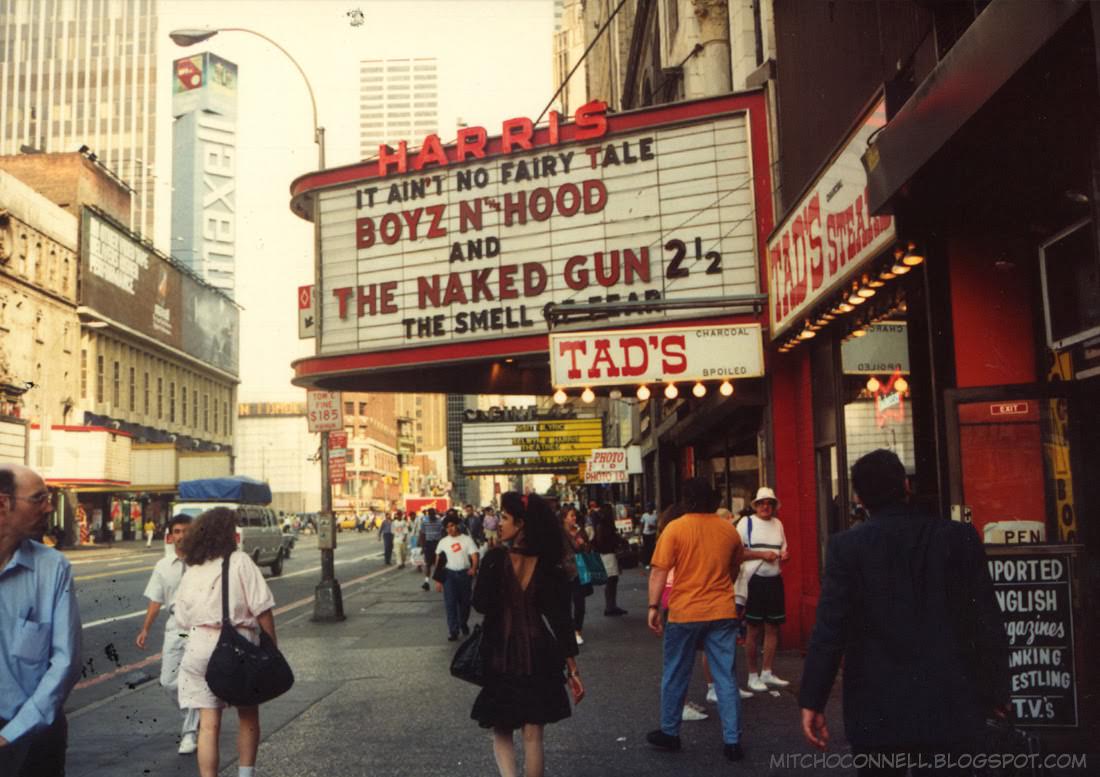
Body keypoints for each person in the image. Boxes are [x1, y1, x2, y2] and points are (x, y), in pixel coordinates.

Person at [799, 450, 1010, 773]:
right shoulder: (958, 538)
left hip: (877, 708)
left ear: (859, 497)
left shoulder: (846, 549)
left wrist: (813, 700)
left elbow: (829, 631)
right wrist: (997, 689)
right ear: (906, 486)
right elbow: (985, 621)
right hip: (952, 703)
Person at [472, 492, 584, 777]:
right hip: (540, 654)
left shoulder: (495, 559)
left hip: (501, 654)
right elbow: (560, 618)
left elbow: (481, 604)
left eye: (505, 518)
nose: (499, 523)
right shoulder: (547, 564)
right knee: (533, 734)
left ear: (521, 524)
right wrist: (572, 667)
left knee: (502, 728)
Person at [646, 477, 746, 762]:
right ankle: (732, 741)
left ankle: (670, 733)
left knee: (676, 672)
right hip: (722, 611)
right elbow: (735, 566)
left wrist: (653, 607)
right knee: (725, 675)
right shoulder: (728, 530)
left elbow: (659, 572)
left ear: (686, 500)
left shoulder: (675, 529)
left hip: (685, 611)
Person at [174, 507, 278, 777]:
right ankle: (245, 774)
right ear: (226, 534)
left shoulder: (193, 568)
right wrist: (271, 649)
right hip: (236, 646)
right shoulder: (239, 561)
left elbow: (182, 622)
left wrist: (193, 643)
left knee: (208, 725)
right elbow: (263, 609)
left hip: (198, 648)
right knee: (247, 715)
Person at [0, 464, 82, 776]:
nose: (49, 508)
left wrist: (12, 732)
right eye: (39, 499)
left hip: (34, 734)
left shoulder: (53, 568)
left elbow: (66, 661)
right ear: (3, 503)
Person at [135, 514, 200, 755]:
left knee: (194, 677)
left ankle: (190, 733)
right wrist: (145, 628)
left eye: (186, 531)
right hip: (177, 630)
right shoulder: (163, 566)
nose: (182, 536)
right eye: (177, 531)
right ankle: (195, 714)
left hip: (199, 629)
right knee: (169, 682)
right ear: (171, 536)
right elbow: (156, 599)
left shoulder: (204, 562)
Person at [738, 486, 792, 692]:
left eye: (769, 503)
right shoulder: (746, 522)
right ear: (756, 505)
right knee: (753, 629)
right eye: (761, 503)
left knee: (773, 627)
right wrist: (762, 555)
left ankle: (767, 672)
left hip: (774, 580)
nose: (765, 506)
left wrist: (785, 556)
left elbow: (784, 549)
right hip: (754, 581)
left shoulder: (778, 524)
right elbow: (736, 552)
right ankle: (753, 675)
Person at [433, 514, 479, 640]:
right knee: (450, 603)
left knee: (465, 603)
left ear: (457, 525)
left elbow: (474, 555)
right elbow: (439, 560)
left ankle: (462, 623)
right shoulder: (443, 542)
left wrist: (473, 568)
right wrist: (438, 580)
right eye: (447, 527)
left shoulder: (466, 540)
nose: (450, 529)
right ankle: (453, 631)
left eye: (452, 526)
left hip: (464, 575)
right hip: (449, 576)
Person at [560, 505, 590, 645]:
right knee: (565, 603)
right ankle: (568, 630)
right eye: (571, 516)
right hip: (564, 571)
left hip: (579, 569)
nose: (574, 518)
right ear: (564, 518)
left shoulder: (580, 531)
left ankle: (578, 630)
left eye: (575, 516)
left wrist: (583, 543)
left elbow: (587, 549)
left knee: (580, 602)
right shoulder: (559, 533)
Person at [592, 503, 626, 616]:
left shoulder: (602, 524)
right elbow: (602, 541)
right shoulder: (603, 525)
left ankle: (611, 605)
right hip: (608, 554)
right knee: (611, 580)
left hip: (607, 554)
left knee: (612, 580)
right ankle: (610, 606)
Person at [418, 508, 444, 591]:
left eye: (433, 514)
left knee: (439, 564)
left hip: (437, 544)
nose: (432, 516)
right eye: (430, 514)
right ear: (428, 514)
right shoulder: (424, 522)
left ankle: (439, 582)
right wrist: (422, 546)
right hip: (428, 544)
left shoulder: (440, 522)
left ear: (435, 514)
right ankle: (426, 582)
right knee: (428, 564)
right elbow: (422, 534)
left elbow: (442, 533)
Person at [639, 502, 658, 570]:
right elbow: (642, 524)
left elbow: (657, 526)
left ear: (652, 508)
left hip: (652, 534)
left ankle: (651, 562)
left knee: (652, 549)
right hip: (645, 534)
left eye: (650, 507)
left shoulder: (655, 516)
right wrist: (640, 534)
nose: (648, 509)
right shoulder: (644, 515)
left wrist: (653, 527)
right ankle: (646, 562)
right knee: (645, 548)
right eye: (647, 507)